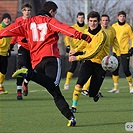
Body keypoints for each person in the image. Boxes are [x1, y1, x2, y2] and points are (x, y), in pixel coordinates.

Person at [0, 1, 92, 126]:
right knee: (54, 83)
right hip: (51, 58)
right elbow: (64, 28)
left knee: (55, 91)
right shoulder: (49, 21)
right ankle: (29, 75)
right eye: (55, 13)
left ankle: (70, 117)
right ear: (51, 12)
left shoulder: (27, 22)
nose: (55, 16)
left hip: (36, 62)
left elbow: (10, 29)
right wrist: (81, 35)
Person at [69, 11, 110, 113]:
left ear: (99, 21)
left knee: (92, 93)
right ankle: (73, 107)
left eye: (95, 21)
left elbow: (95, 53)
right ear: (88, 21)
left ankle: (95, 94)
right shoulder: (87, 32)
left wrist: (77, 58)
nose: (93, 23)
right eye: (91, 21)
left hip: (100, 65)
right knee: (79, 83)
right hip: (88, 62)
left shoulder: (103, 35)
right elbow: (83, 43)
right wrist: (76, 50)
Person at [81, 14, 121, 97]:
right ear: (100, 21)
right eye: (103, 20)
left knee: (98, 77)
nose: (105, 22)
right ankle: (84, 89)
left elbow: (115, 41)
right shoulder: (96, 31)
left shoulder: (112, 30)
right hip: (91, 56)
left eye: (106, 20)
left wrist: (118, 53)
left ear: (108, 21)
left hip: (103, 58)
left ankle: (95, 92)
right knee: (87, 73)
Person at [10, 3, 32, 100]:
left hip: (32, 48)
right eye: (25, 10)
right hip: (22, 47)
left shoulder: (33, 21)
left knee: (30, 70)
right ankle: (19, 91)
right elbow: (15, 33)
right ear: (22, 11)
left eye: (28, 10)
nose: (27, 12)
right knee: (21, 68)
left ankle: (26, 83)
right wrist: (11, 43)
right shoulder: (18, 21)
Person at [108, 11, 133, 94]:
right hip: (115, 51)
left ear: (125, 17)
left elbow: (132, 38)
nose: (122, 18)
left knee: (126, 70)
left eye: (123, 16)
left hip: (125, 51)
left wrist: (132, 48)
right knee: (114, 69)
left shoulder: (128, 27)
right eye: (120, 16)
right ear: (118, 17)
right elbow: (110, 37)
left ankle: (131, 87)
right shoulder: (113, 26)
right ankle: (116, 88)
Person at [64, 12, 88, 90]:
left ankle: (81, 83)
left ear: (84, 18)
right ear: (77, 18)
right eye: (79, 18)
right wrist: (68, 45)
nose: (81, 19)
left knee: (83, 68)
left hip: (83, 50)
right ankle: (67, 83)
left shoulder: (87, 27)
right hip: (74, 50)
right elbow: (67, 37)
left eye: (82, 17)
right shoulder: (73, 27)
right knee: (73, 67)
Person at [0, 13, 12, 94]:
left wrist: (9, 49)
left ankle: (0, 86)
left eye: (8, 19)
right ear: (2, 20)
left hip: (5, 53)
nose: (7, 20)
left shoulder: (11, 29)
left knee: (3, 71)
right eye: (5, 19)